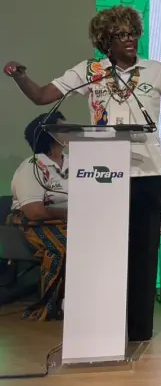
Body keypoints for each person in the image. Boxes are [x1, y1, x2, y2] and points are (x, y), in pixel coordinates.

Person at [3, 5, 161, 342]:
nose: (129, 39)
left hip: (147, 172)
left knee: (143, 252)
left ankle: (138, 331)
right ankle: (103, 329)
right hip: (102, 174)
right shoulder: (91, 71)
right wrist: (20, 76)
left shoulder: (155, 70)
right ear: (105, 41)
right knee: (104, 251)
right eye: (120, 34)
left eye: (133, 33)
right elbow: (41, 96)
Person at [7, 111, 69, 321]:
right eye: (63, 127)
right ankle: (50, 304)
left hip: (68, 221)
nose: (70, 131)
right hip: (31, 224)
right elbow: (34, 211)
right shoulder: (32, 167)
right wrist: (71, 213)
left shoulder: (76, 164)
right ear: (48, 134)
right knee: (66, 244)